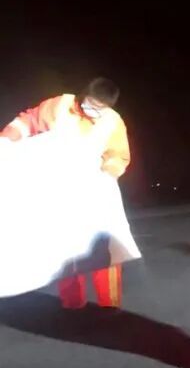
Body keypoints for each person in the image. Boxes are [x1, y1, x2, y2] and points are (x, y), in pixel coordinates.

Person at [1, 77, 130, 309]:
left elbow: (118, 155)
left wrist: (107, 175)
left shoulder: (113, 122)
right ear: (83, 96)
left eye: (100, 108)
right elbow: (29, 121)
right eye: (91, 104)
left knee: (103, 251)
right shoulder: (60, 105)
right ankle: (72, 304)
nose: (93, 111)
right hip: (60, 191)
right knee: (67, 250)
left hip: (94, 193)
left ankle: (109, 305)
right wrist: (7, 138)